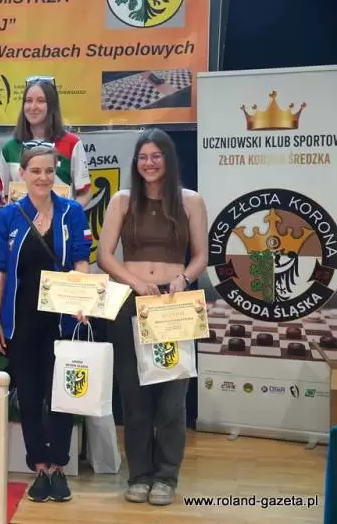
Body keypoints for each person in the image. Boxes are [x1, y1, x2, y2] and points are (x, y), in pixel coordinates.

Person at [97, 128, 208, 506]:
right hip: (130, 301)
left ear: (169, 159)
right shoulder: (122, 200)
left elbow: (201, 256)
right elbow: (105, 256)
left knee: (173, 399)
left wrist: (183, 278)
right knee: (134, 396)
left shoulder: (191, 201)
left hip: (175, 304)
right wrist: (134, 283)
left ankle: (166, 476)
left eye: (156, 156)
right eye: (143, 156)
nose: (149, 163)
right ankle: (139, 475)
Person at [0, 144, 92, 503]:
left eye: (49, 171)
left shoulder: (72, 212)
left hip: (61, 321)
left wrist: (82, 300)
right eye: (35, 171)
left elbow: (81, 260)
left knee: (61, 395)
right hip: (21, 320)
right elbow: (0, 269)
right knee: (30, 397)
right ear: (22, 174)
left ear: (56, 173)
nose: (43, 177)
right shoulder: (9, 215)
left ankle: (59, 466)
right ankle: (39, 467)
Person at [0, 77, 91, 207]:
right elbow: (4, 196)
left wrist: (68, 214)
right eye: (28, 101)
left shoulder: (72, 144)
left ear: (52, 106)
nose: (33, 107)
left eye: (41, 101)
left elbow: (85, 194)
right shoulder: (9, 149)